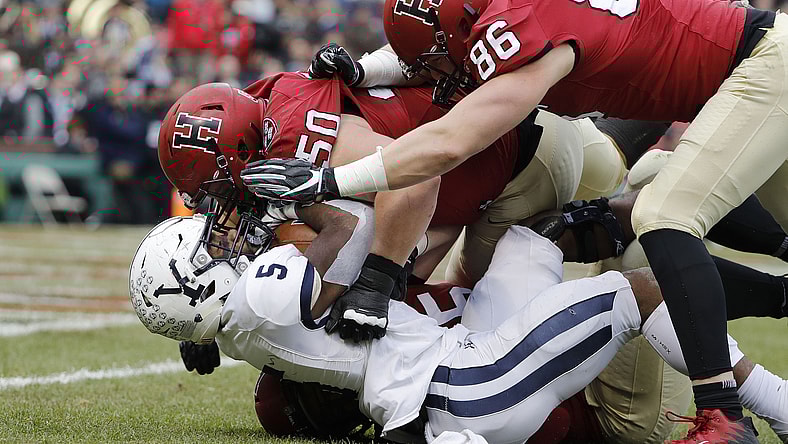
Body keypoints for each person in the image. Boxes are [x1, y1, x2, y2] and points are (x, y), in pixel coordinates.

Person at [239, 0, 788, 439]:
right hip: (724, 76)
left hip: (751, 66)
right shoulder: (494, 23)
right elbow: (434, 53)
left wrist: (332, 182)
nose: (428, 77)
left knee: (659, 220)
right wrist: (363, 71)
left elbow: (448, 143)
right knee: (645, 196)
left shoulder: (519, 28)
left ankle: (728, 414)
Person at [130, 198, 786, 443]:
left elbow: (229, 316)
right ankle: (764, 409)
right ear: (199, 285)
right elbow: (351, 226)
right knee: (641, 291)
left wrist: (197, 332)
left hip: (454, 370)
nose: (226, 242)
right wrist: (296, 200)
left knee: (533, 238)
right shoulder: (256, 298)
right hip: (472, 383)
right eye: (208, 252)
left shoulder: (236, 320)